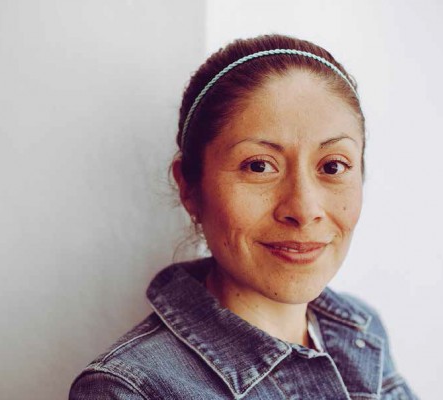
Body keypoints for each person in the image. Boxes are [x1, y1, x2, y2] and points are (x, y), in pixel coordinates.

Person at [69, 34, 418, 400]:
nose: (303, 210)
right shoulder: (129, 391)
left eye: (333, 166)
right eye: (258, 166)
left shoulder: (362, 331)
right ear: (190, 187)